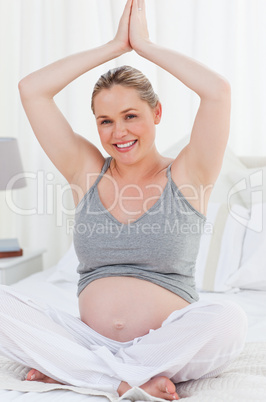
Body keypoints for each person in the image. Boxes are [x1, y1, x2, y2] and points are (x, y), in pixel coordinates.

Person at [0, 0, 247, 399]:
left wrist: (144, 46)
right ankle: (119, 380)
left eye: (131, 115)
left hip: (167, 345)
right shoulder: (86, 172)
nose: (119, 132)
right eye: (106, 121)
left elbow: (217, 92)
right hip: (86, 339)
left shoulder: (188, 174)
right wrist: (114, 46)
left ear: (157, 113)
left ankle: (78, 372)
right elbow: (32, 89)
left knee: (229, 319)